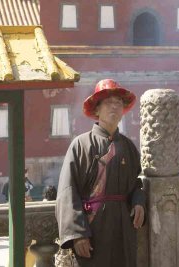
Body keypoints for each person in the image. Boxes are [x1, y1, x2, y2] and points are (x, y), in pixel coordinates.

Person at [56, 79, 145, 267]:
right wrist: (78, 234)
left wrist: (138, 202)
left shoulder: (128, 146)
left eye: (118, 103)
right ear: (96, 110)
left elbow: (137, 182)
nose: (114, 106)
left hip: (123, 228)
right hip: (93, 228)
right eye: (108, 102)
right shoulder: (80, 145)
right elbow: (67, 191)